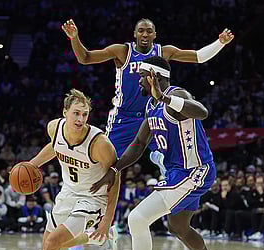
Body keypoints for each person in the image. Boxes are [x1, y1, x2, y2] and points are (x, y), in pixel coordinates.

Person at [91, 57, 230, 250]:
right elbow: (139, 144)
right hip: (177, 172)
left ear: (155, 77)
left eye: (142, 76)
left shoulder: (177, 95)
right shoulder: (151, 106)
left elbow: (202, 112)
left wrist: (164, 96)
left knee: (137, 218)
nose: (139, 81)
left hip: (194, 171)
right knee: (178, 227)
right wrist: (115, 168)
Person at [62, 18, 234, 163]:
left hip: (153, 114)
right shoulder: (122, 51)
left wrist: (220, 43)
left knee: (171, 160)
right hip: (124, 117)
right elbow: (85, 58)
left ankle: (170, 179)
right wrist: (74, 38)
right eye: (141, 30)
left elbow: (199, 57)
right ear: (135, 34)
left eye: (149, 31)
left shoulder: (163, 51)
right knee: (106, 163)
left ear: (155, 35)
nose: (145, 34)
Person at [21, 89, 120, 250]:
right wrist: (32, 165)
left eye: (85, 114)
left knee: (54, 242)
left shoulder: (99, 144)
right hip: (68, 192)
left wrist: (108, 219)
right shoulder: (54, 128)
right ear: (65, 112)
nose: (80, 119)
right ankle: (98, 239)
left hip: (94, 198)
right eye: (76, 113)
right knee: (49, 246)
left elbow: (115, 178)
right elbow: (55, 147)